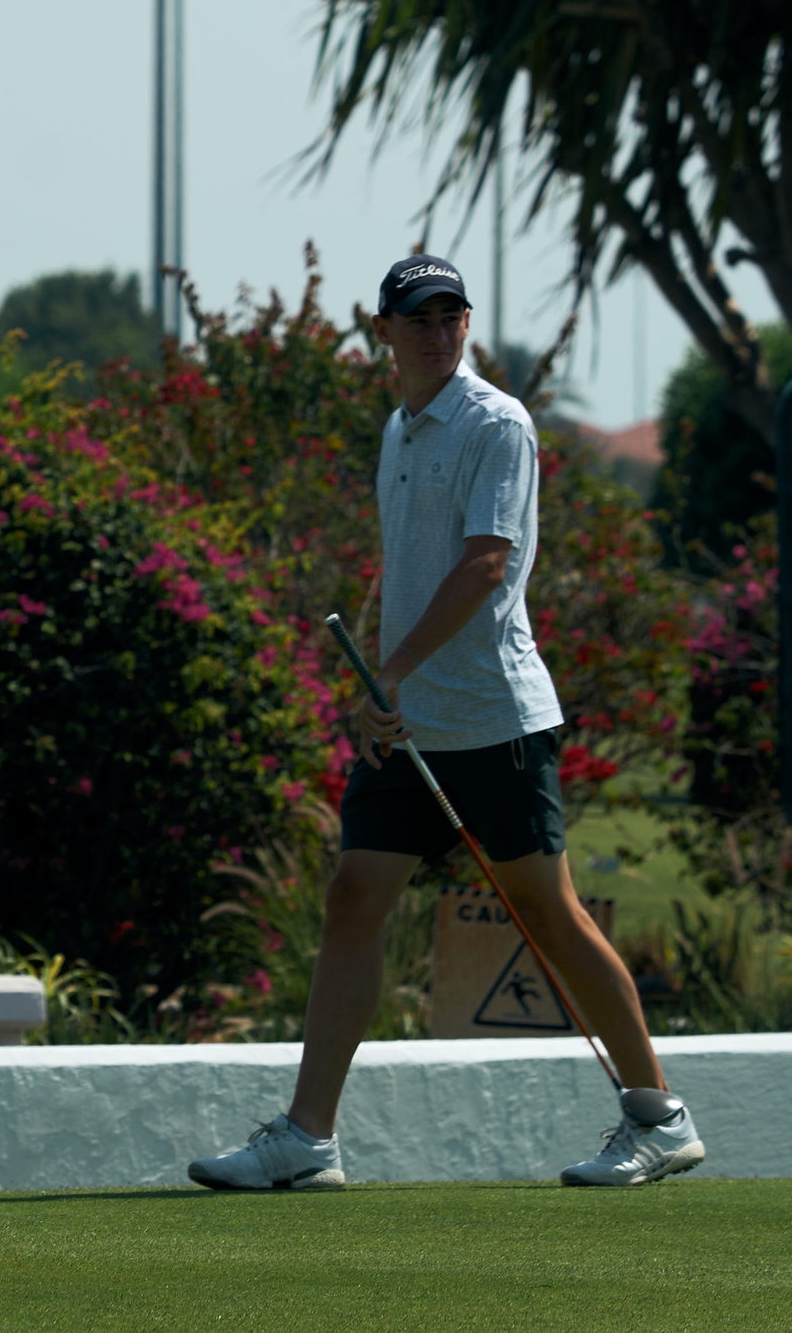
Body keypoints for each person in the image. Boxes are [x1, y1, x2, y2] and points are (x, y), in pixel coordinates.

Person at [189, 254, 704, 1192]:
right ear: (382, 333)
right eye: (418, 318)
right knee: (353, 897)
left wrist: (389, 668)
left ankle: (659, 1117)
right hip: (411, 722)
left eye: (451, 316)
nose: (437, 331)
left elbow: (485, 565)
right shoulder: (401, 429)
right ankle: (308, 1141)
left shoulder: (496, 422)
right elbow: (417, 569)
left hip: (495, 719)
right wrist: (389, 688)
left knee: (549, 914)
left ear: (466, 326)